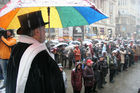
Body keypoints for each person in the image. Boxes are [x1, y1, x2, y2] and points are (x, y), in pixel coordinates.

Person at [6, 11, 65, 93]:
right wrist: (56, 70)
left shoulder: (16, 48)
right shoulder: (41, 54)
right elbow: (54, 84)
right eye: (44, 29)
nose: (45, 32)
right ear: (37, 32)